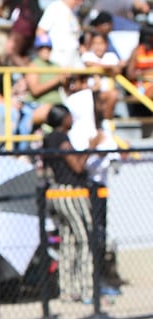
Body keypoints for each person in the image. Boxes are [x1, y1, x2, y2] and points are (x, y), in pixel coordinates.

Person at [42, 103, 103, 304]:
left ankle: (67, 290)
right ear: (62, 118)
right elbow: (76, 165)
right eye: (69, 116)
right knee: (86, 238)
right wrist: (91, 147)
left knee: (68, 241)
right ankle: (88, 289)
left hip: (57, 193)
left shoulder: (48, 139)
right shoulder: (59, 138)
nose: (72, 119)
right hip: (71, 193)